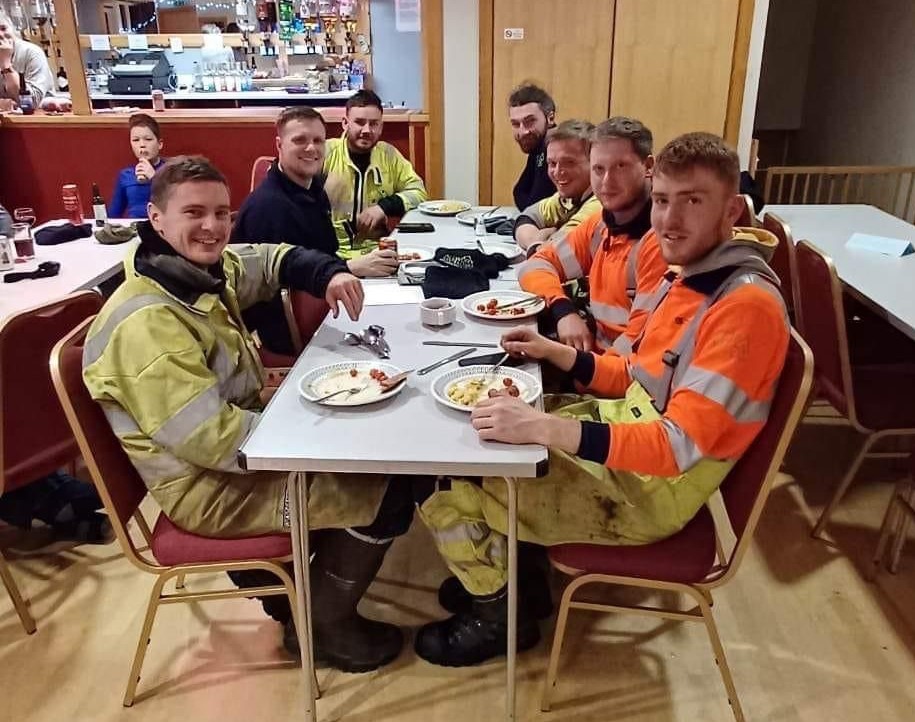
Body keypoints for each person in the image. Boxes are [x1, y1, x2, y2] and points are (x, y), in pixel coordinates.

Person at [411, 132, 790, 668]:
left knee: (446, 481)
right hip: (629, 438)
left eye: (693, 201)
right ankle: (514, 583)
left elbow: (675, 447)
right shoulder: (692, 275)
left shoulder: (743, 307)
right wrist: (556, 352)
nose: (669, 220)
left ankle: (498, 620)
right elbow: (634, 376)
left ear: (731, 211)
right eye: (664, 200)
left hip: (652, 491)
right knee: (479, 435)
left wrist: (543, 428)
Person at [82, 156, 415, 672]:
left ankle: (292, 596)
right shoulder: (146, 322)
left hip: (232, 457)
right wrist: (326, 438)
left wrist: (326, 271)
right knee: (388, 487)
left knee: (373, 452)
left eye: (222, 213)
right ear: (156, 217)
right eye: (194, 212)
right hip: (209, 487)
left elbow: (266, 259)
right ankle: (321, 627)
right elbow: (213, 440)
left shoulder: (191, 273)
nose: (213, 227)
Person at [232, 106, 400, 353]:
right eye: (300, 140)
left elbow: (319, 254)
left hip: (322, 300)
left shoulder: (312, 188)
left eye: (318, 140)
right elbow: (284, 292)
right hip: (287, 332)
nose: (311, 148)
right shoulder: (269, 208)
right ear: (279, 145)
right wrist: (351, 267)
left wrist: (349, 267)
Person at [518, 117, 667, 353]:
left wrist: (562, 358)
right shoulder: (600, 226)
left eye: (620, 166)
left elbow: (635, 358)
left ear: (648, 167)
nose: (607, 181)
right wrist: (562, 311)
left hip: (618, 372)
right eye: (599, 169)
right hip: (594, 358)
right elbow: (535, 265)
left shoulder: (661, 244)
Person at [323, 89, 428, 252]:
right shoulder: (325, 152)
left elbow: (419, 193)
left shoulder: (389, 155)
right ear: (345, 123)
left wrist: (383, 207)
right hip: (331, 252)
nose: (367, 130)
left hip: (378, 249)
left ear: (381, 126)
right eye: (359, 122)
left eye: (373, 124)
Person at [513, 119, 601, 254]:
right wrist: (535, 242)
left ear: (595, 163)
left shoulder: (600, 202)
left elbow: (560, 250)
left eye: (569, 162)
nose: (558, 172)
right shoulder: (569, 197)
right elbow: (526, 217)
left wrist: (547, 241)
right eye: (552, 163)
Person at [508, 83, 557, 211]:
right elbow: (519, 191)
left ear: (550, 118)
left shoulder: (557, 149)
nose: (523, 131)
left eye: (530, 121)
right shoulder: (538, 147)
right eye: (516, 124)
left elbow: (535, 206)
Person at [108, 113, 166, 219]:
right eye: (136, 140)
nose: (142, 145)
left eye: (148, 139)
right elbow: (113, 216)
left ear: (160, 144)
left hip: (163, 225)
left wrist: (155, 178)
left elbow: (179, 205)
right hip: (135, 226)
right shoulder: (126, 175)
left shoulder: (171, 170)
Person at [0, 8, 53, 111]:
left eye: (3, 28)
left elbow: (31, 102)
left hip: (40, 117)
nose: (0, 34)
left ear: (12, 29)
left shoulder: (32, 52)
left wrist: (6, 64)